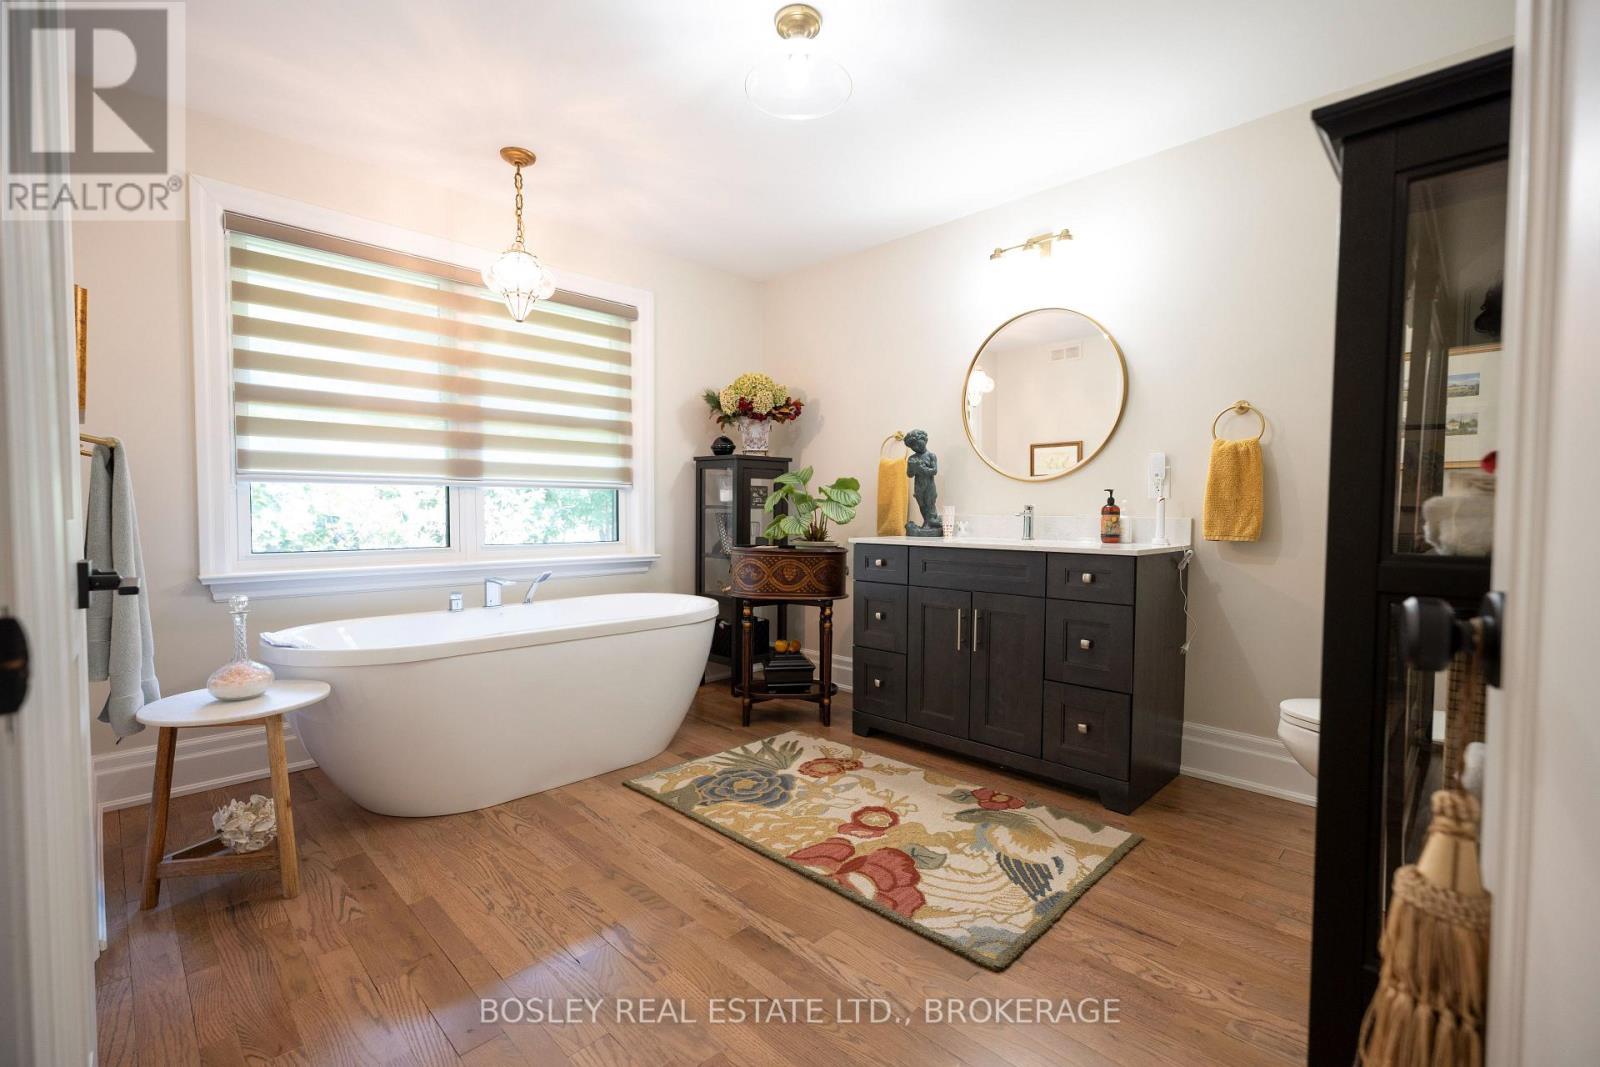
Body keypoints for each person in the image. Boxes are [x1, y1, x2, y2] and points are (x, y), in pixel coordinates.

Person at [904, 429, 942, 536]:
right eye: (913, 446)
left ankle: (931, 522)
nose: (916, 447)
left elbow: (934, 471)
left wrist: (923, 469)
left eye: (917, 443)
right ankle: (926, 522)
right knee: (922, 505)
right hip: (919, 487)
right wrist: (913, 469)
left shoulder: (931, 456)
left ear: (925, 440)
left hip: (929, 486)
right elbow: (909, 474)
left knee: (930, 503)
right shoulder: (912, 458)